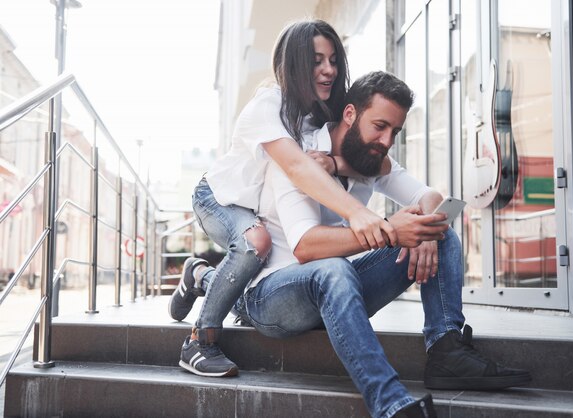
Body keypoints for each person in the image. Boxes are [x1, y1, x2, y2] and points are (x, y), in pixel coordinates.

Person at [232, 71, 532, 418]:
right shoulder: (300, 158)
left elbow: (432, 196)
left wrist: (423, 226)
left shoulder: (369, 159)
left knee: (440, 232)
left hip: (336, 293)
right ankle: (391, 405)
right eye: (379, 126)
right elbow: (306, 246)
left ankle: (447, 347)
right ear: (349, 114)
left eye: (395, 131)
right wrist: (392, 229)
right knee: (333, 268)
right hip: (273, 297)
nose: (387, 140)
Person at [168, 20, 397, 378]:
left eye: (334, 60)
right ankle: (199, 340)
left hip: (250, 205)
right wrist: (357, 214)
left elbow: (378, 162)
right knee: (254, 244)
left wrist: (337, 161)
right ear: (293, 63)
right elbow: (299, 169)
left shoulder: (316, 115)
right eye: (317, 60)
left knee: (251, 272)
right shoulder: (269, 104)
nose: (329, 70)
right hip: (219, 197)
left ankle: (199, 275)